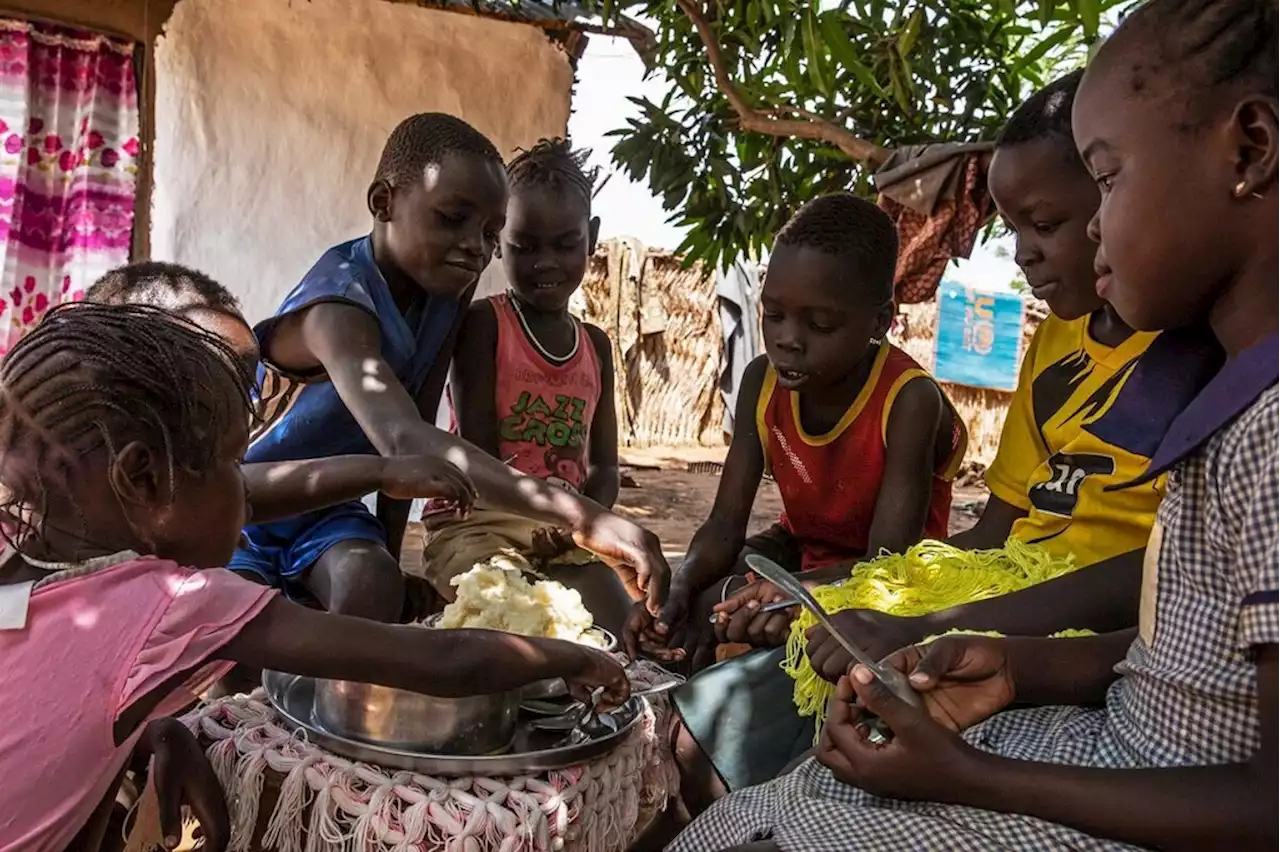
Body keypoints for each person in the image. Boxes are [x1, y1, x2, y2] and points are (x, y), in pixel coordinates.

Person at [671, 0, 1280, 847]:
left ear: (1250, 149)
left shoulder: (1268, 436)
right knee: (758, 812)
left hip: (1147, 775)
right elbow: (1173, 644)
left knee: (769, 828)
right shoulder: (1225, 402)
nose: (1093, 228)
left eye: (1106, 180)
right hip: (1111, 731)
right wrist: (1012, 666)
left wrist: (977, 776)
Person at [0, 303, 628, 852]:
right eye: (230, 461)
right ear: (140, 479)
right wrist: (569, 658)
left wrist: (153, 729)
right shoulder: (169, 605)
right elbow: (444, 660)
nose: (244, 483)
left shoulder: (30, 568)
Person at [233, 113, 669, 622]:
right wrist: (585, 515)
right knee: (234, 633)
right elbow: (403, 440)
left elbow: (414, 433)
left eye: (490, 232)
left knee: (371, 584)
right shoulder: (338, 309)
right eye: (451, 218)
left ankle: (339, 692)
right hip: (249, 505)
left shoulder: (445, 295)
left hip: (331, 511)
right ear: (384, 202)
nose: (476, 247)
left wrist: (392, 560)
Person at [628, 192, 968, 671]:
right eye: (773, 314)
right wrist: (679, 587)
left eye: (820, 323)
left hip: (886, 588)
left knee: (796, 632)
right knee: (698, 608)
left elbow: (888, 564)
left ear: (880, 322)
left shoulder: (908, 401)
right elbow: (725, 525)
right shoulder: (761, 382)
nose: (788, 338)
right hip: (797, 556)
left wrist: (793, 593)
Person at [424, 138, 634, 633]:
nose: (546, 262)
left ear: (592, 237)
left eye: (565, 244)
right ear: (499, 241)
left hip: (566, 530)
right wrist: (550, 520)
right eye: (524, 246)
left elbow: (604, 468)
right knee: (508, 613)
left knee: (616, 619)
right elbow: (479, 457)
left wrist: (583, 522)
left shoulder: (595, 346)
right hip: (479, 523)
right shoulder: (485, 326)